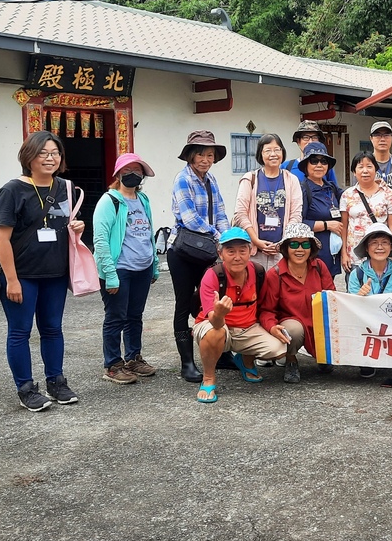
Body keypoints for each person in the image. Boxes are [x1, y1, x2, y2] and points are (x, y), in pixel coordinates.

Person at [0, 130, 85, 412]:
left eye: (55, 153)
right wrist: (11, 280)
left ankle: (56, 382)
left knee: (52, 329)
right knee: (20, 332)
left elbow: (65, 223)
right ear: (28, 156)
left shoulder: (66, 187)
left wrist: (77, 227)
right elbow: (1, 237)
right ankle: (26, 388)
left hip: (55, 273)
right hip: (22, 274)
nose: (50, 158)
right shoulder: (12, 190)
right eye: (43, 153)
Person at [193, 228, 288, 404]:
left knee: (279, 348)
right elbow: (213, 321)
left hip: (248, 327)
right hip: (216, 326)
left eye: (242, 250)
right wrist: (220, 314)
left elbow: (265, 308)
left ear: (251, 251)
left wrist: (272, 326)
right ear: (221, 254)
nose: (237, 257)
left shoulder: (258, 272)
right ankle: (208, 378)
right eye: (231, 251)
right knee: (215, 333)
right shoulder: (212, 276)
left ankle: (245, 360)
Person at [168, 130, 230, 384]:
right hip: (183, 251)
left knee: (211, 302)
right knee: (184, 303)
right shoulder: (182, 179)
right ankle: (187, 363)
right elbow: (190, 218)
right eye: (201, 154)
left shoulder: (211, 180)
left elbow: (222, 212)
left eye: (210, 155)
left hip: (207, 251)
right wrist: (217, 236)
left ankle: (219, 355)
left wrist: (227, 239)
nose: (206, 159)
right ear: (191, 156)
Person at [93, 152, 160, 385]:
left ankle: (133, 358)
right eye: (128, 171)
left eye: (138, 171)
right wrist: (109, 275)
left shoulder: (143, 200)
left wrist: (155, 266)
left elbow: (149, 233)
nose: (133, 175)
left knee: (135, 316)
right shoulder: (109, 201)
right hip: (119, 269)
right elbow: (100, 240)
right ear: (118, 174)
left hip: (142, 268)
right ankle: (112, 364)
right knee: (115, 317)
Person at [258, 223, 336, 384]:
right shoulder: (275, 274)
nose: (300, 249)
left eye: (305, 244)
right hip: (292, 323)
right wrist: (272, 327)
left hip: (319, 321)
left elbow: (332, 297)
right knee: (293, 330)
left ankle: (324, 355)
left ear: (311, 247)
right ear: (286, 248)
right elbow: (266, 310)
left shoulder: (320, 267)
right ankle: (291, 360)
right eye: (294, 244)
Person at [347, 222, 392, 387]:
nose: (380, 247)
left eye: (384, 242)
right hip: (367, 324)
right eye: (374, 243)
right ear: (366, 248)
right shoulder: (356, 274)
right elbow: (351, 309)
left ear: (391, 247)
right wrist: (359, 297)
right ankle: (366, 361)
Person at [233, 133, 302, 270]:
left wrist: (282, 243)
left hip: (281, 251)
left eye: (277, 149)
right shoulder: (250, 178)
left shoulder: (291, 180)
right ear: (260, 154)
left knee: (278, 289)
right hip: (254, 251)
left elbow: (296, 214)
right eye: (268, 150)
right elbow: (240, 214)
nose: (273, 154)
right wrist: (256, 241)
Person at [339, 151, 392, 276]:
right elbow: (343, 227)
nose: (365, 171)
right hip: (354, 257)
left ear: (375, 170)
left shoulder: (388, 193)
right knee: (355, 292)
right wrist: (344, 253)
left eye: (369, 166)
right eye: (360, 167)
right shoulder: (347, 195)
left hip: (381, 254)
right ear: (354, 172)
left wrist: (390, 251)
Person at [298, 142, 344, 278]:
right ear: (306, 165)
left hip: (333, 254)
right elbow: (299, 223)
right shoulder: (303, 190)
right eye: (314, 161)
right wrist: (327, 225)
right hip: (314, 253)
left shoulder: (332, 188)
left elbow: (352, 198)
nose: (319, 165)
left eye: (323, 161)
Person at [282, 120, 339, 188]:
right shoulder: (287, 167)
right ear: (298, 141)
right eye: (306, 137)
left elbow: (334, 192)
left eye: (314, 137)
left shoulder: (324, 167)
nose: (310, 141)